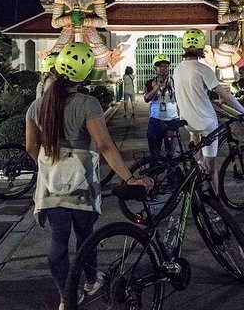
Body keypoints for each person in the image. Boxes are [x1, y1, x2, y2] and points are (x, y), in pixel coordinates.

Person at [25, 42, 153, 310]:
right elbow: (105, 146)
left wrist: (50, 166)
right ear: (85, 74)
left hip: (51, 185)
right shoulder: (88, 104)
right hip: (81, 180)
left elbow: (31, 147)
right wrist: (129, 178)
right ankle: (91, 280)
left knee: (58, 240)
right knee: (86, 236)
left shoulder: (37, 106)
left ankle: (65, 297)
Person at [173, 29, 244, 195]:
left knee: (196, 152)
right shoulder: (203, 69)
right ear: (201, 47)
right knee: (211, 166)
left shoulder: (177, 69)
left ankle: (196, 178)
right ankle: (216, 200)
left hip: (188, 122)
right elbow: (225, 96)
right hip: (206, 123)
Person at [143, 54, 178, 161]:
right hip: (155, 122)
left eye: (165, 66)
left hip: (172, 122)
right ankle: (154, 176)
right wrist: (156, 87)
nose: (163, 68)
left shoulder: (174, 82)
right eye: (160, 66)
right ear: (155, 68)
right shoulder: (150, 83)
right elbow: (146, 98)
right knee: (154, 154)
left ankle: (172, 177)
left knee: (171, 155)